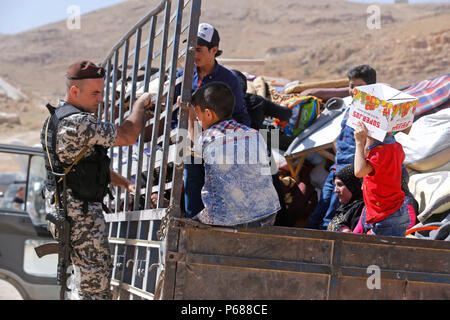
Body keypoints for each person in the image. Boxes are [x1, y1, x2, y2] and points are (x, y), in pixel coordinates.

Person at [41, 60, 154, 300]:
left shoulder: (58, 118)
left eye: (101, 92)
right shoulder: (77, 122)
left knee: (87, 284)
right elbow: (127, 135)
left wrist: (124, 183)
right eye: (95, 93)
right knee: (95, 289)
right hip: (79, 216)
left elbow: (82, 167)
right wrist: (139, 106)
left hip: (69, 212)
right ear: (74, 91)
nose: (100, 99)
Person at [185, 82, 280, 226]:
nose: (198, 119)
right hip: (268, 212)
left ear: (209, 114)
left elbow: (192, 141)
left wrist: (189, 117)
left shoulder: (207, 139)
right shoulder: (254, 134)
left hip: (227, 218)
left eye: (198, 114)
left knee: (194, 222)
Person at [307, 65, 377, 230]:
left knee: (332, 218)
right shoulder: (351, 107)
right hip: (336, 168)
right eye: (351, 86)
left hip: (349, 174)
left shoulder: (372, 112)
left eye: (358, 87)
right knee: (318, 214)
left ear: (370, 87)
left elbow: (369, 145)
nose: (353, 91)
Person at [174, 22, 250, 127]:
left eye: (199, 49)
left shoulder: (229, 80)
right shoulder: (182, 75)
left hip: (216, 137)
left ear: (214, 50)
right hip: (183, 135)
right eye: (191, 49)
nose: (194, 54)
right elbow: (172, 110)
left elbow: (240, 117)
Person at [353, 121, 410, 237]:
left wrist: (359, 142)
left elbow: (359, 171)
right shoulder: (394, 147)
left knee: (387, 254)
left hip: (387, 216)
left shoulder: (381, 151)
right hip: (389, 213)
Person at [327, 164, 365, 233]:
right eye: (335, 185)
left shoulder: (359, 208)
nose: (335, 190)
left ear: (352, 186)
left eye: (340, 185)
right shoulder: (345, 207)